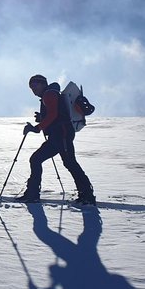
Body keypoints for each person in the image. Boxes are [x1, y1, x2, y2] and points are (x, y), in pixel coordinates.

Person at [17, 75, 96, 205]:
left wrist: (37, 128)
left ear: (42, 84)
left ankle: (87, 195)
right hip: (57, 136)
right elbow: (54, 114)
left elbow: (53, 115)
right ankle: (32, 194)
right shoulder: (49, 95)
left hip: (62, 135)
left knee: (70, 163)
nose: (33, 90)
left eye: (35, 86)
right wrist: (42, 118)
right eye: (31, 87)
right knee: (36, 159)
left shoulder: (49, 95)